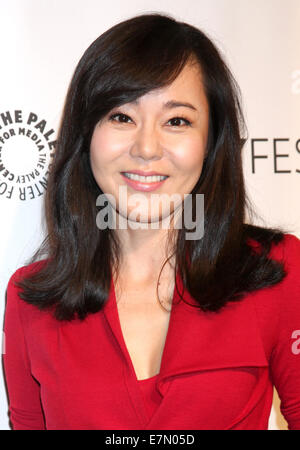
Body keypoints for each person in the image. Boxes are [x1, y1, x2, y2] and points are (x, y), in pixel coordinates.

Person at [3, 12, 300, 430]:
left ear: (212, 141)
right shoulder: (31, 300)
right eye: (121, 116)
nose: (146, 147)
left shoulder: (276, 271)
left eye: (177, 120)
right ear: (86, 134)